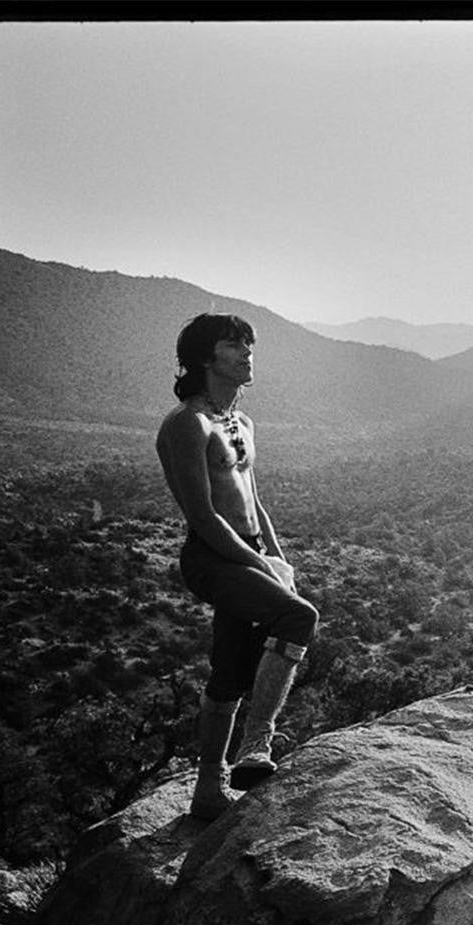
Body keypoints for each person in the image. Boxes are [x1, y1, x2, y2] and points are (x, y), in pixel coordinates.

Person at [156, 313, 319, 820]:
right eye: (233, 344)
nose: (247, 353)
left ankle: (208, 790)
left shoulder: (242, 423)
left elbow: (254, 501)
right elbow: (203, 516)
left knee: (229, 670)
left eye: (248, 344)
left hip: (249, 551)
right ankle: (256, 745)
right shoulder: (186, 424)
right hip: (211, 555)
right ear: (205, 358)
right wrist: (260, 566)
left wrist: (279, 559)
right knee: (298, 617)